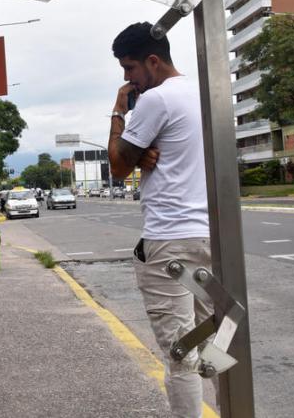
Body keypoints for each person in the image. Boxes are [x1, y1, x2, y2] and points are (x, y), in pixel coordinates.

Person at [106, 21, 213, 418]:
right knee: (215, 337)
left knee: (181, 353)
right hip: (210, 237)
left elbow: (118, 167)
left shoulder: (155, 101)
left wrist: (119, 110)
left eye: (130, 69)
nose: (127, 78)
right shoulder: (204, 94)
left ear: (153, 61)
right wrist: (146, 151)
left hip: (170, 241)